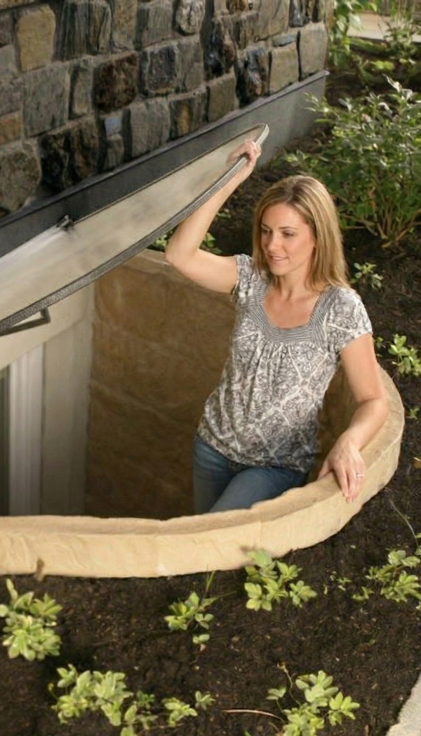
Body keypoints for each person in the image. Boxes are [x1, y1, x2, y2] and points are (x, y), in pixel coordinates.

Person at [164, 139, 388, 514]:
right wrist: (228, 180)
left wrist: (350, 440)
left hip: (275, 466)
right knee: (202, 552)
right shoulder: (251, 279)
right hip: (212, 448)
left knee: (216, 541)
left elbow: (374, 400)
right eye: (266, 231)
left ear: (317, 236)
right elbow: (178, 255)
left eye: (288, 233)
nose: (272, 245)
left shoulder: (340, 308)